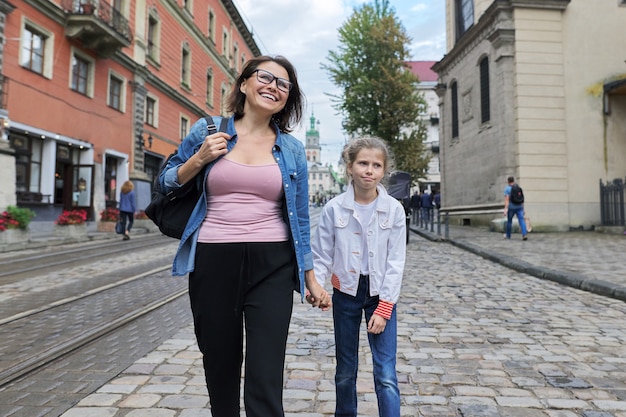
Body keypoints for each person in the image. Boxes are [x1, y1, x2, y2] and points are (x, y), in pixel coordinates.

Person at [158, 55, 331, 417]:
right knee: (220, 361)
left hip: (273, 264)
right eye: (265, 77)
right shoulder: (207, 131)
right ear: (244, 83)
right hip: (213, 258)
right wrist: (199, 159)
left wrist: (310, 277)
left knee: (266, 371)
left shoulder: (292, 149)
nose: (274, 86)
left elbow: (299, 218)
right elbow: (164, 181)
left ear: (288, 98)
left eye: (283, 84)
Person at [310, 136, 406, 417]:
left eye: (377, 165)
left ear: (384, 171)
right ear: (349, 166)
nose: (369, 170)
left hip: (380, 294)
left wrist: (385, 307)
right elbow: (322, 254)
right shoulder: (334, 208)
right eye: (363, 163)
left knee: (386, 372)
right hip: (346, 294)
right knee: (345, 369)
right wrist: (316, 285)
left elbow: (396, 261)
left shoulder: (394, 210)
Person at [504, 175, 528, 240]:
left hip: (511, 207)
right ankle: (524, 234)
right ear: (513, 181)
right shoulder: (518, 188)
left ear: (508, 181)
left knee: (509, 221)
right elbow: (522, 199)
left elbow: (507, 199)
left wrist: (506, 208)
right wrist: (523, 208)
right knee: (521, 220)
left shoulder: (507, 189)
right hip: (519, 206)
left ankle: (508, 235)